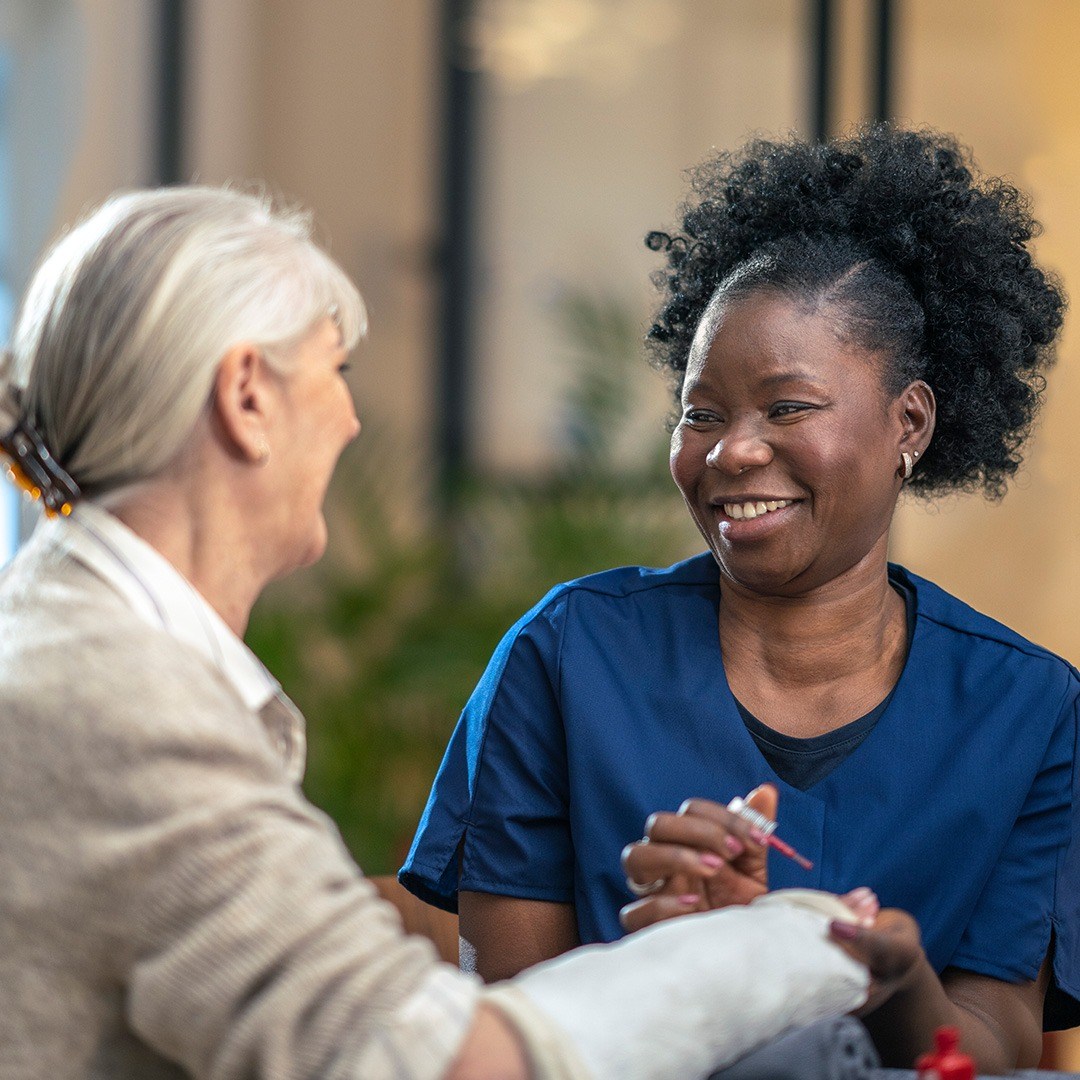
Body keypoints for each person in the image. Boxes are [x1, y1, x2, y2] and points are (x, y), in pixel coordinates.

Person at [0, 185, 886, 1080]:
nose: (350, 419)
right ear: (246, 398)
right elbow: (432, 1063)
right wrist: (782, 947)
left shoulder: (65, 643)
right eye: (334, 371)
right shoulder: (123, 705)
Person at [400, 126, 1080, 1072]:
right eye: (701, 412)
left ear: (909, 422)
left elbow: (1001, 1045)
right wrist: (682, 961)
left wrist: (883, 981)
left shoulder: (1029, 711)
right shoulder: (568, 657)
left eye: (787, 408)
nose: (730, 452)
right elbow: (506, 1038)